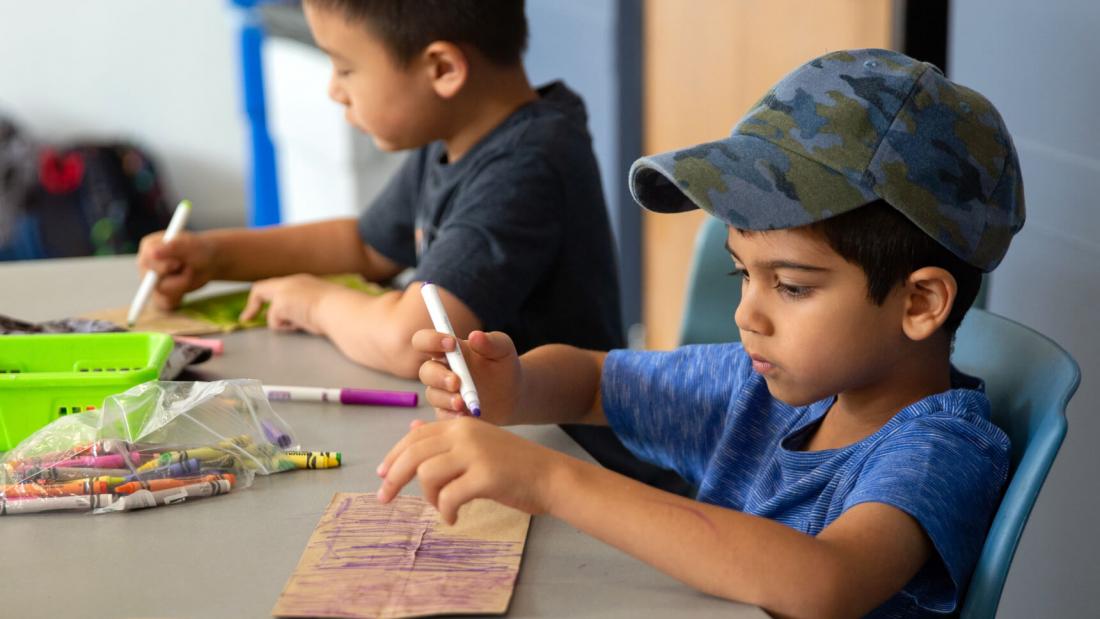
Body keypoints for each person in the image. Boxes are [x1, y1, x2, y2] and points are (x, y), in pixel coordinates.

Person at [379, 49, 1025, 618]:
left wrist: (552, 481)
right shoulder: (759, 382)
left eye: (792, 286)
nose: (748, 313)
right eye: (741, 273)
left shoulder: (943, 447)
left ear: (920, 302)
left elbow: (825, 581)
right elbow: (594, 384)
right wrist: (515, 387)